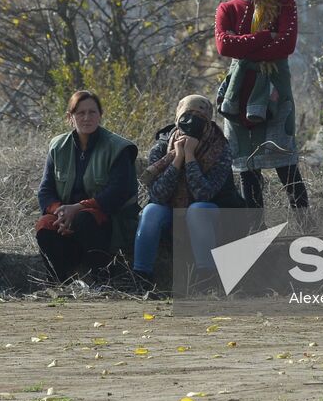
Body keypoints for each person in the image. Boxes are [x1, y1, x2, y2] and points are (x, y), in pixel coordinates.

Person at [215, 0, 309, 211]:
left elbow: (286, 45)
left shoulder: (284, 5)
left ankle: (305, 226)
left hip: (275, 92)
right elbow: (224, 46)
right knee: (248, 167)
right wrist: (267, 36)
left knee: (286, 164)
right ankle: (256, 231)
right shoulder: (227, 8)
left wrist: (243, 46)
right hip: (239, 95)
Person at [132, 94, 242, 291]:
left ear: (208, 121)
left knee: (197, 209)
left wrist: (190, 157)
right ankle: (141, 277)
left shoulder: (220, 149)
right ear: (177, 117)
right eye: (187, 115)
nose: (192, 121)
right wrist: (176, 159)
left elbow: (204, 194)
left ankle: (205, 278)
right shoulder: (162, 146)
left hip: (212, 215)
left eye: (199, 116)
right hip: (170, 211)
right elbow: (157, 195)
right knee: (150, 211)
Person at [36, 90, 139, 283]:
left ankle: (101, 279)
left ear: (100, 115)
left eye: (92, 112)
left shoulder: (118, 148)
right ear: (70, 117)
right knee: (44, 225)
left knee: (84, 219)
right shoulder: (57, 147)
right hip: (66, 218)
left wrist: (77, 208)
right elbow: (45, 190)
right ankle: (58, 283)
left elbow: (118, 193)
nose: (87, 118)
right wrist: (60, 212)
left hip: (109, 221)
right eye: (80, 113)